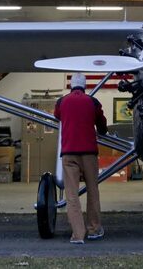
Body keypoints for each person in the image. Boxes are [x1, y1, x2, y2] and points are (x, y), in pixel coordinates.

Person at [54, 72, 108, 244]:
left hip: (69, 153)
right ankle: (94, 229)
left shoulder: (62, 102)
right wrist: (103, 132)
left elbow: (57, 115)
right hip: (89, 153)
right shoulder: (93, 102)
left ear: (71, 85)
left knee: (71, 194)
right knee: (93, 191)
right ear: (85, 86)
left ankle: (78, 234)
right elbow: (101, 123)